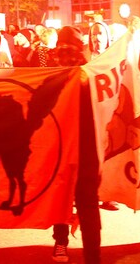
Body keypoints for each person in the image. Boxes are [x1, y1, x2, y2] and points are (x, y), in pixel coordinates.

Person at [46, 25, 101, 264]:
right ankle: (88, 253)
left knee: (78, 201)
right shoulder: (52, 75)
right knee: (77, 201)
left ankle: (75, 247)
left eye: (70, 48)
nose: (65, 53)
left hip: (79, 148)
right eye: (62, 48)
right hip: (73, 147)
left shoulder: (92, 75)